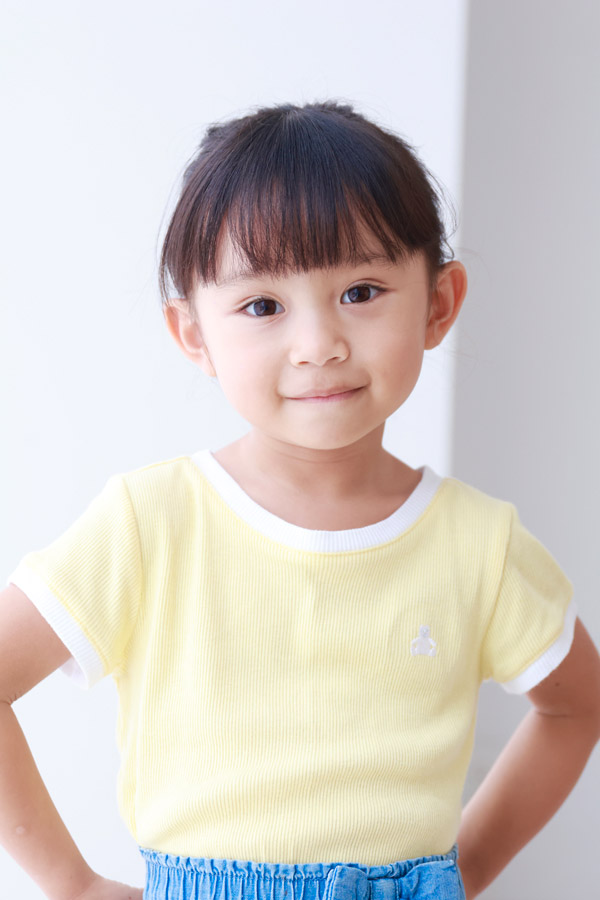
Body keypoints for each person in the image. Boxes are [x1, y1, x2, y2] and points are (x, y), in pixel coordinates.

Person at [1, 101, 599, 900]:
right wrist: (73, 885)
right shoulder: (150, 524)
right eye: (263, 306)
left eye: (361, 290)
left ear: (438, 303)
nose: (318, 344)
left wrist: (469, 868)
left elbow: (577, 706)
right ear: (194, 334)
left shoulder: (479, 544)